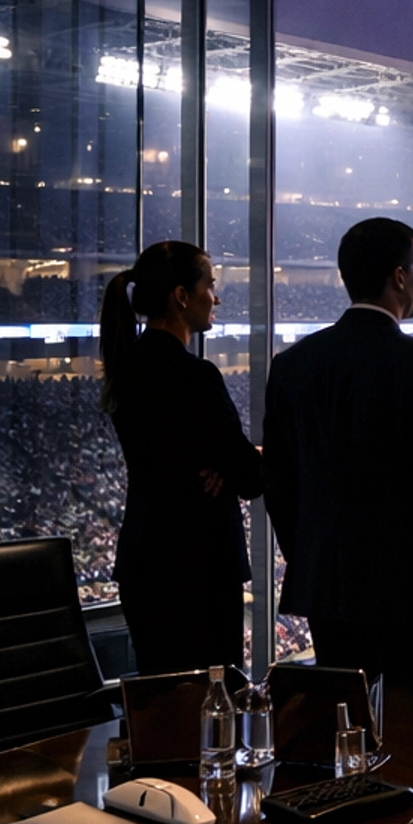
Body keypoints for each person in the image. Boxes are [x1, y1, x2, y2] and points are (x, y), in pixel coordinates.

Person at [263, 218, 413, 701]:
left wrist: (312, 555)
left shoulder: (294, 365)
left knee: (345, 729)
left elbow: (278, 482)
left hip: (330, 589)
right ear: (399, 277)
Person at [99, 239, 263, 673]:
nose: (217, 295)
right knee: (210, 715)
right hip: (200, 568)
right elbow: (249, 476)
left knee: (165, 710)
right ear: (181, 296)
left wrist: (224, 465)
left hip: (144, 562)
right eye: (210, 284)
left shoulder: (126, 371)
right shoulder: (195, 375)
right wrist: (236, 463)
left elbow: (179, 462)